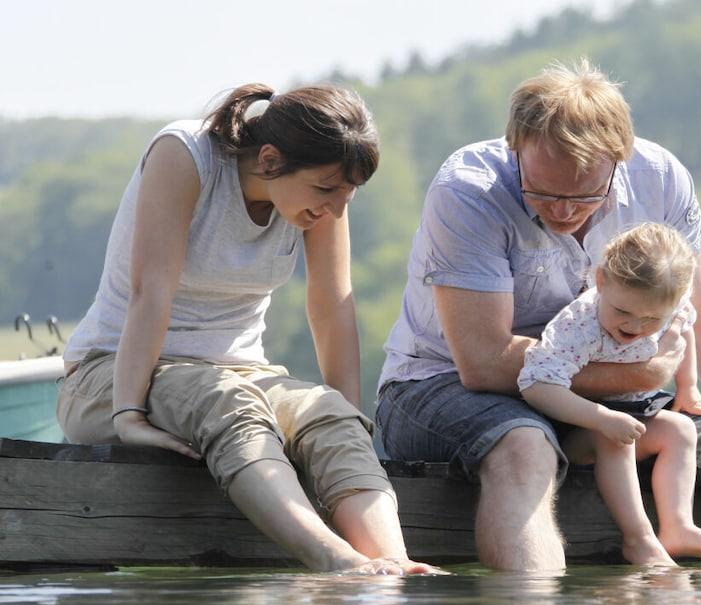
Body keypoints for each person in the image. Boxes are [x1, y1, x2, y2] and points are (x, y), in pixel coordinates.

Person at [376, 60, 701, 571]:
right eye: (543, 193)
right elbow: (484, 361)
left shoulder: (661, 179)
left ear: (619, 160)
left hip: (614, 399)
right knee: (525, 445)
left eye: (585, 195)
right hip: (442, 385)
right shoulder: (469, 190)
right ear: (515, 147)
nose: (563, 211)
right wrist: (639, 374)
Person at [57, 83, 434, 575]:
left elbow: (331, 303)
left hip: (239, 376)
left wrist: (343, 414)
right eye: (327, 190)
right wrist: (129, 414)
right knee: (229, 402)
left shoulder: (322, 195)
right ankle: (339, 562)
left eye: (349, 194)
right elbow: (151, 289)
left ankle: (394, 565)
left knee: (329, 415)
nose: (337, 209)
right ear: (270, 160)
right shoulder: (184, 155)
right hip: (111, 376)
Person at [519, 222, 701, 565]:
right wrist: (601, 418)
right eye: (623, 312)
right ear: (602, 280)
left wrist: (688, 389)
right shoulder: (578, 325)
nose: (635, 327)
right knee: (615, 438)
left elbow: (683, 332)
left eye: (651, 319)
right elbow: (536, 386)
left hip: (629, 413)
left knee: (681, 428)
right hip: (572, 426)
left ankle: (679, 527)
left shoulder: (670, 306)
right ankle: (639, 540)